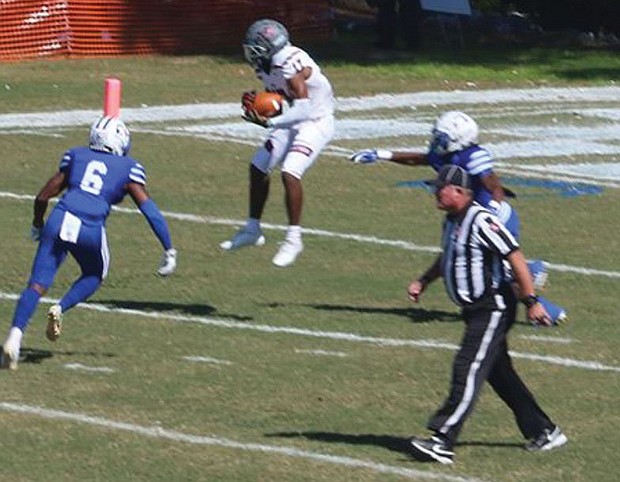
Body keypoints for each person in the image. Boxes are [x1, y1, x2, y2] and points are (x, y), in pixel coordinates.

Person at [406, 164, 567, 464]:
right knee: (498, 373)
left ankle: (443, 439)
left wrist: (531, 300)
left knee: (467, 367)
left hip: (493, 307)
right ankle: (544, 431)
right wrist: (424, 280)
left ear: (459, 191)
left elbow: (515, 256)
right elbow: (450, 257)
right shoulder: (451, 222)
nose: (434, 193)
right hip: (473, 310)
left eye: (439, 188)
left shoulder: (481, 220)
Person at [350, 110, 567, 325]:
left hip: (491, 218)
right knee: (472, 262)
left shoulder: (473, 156)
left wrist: (491, 211)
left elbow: (494, 184)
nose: (437, 142)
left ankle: (544, 307)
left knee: (499, 277)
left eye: (443, 138)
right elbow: (419, 159)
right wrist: (383, 155)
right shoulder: (446, 156)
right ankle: (532, 277)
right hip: (466, 216)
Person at [1, 116, 177, 370]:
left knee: (36, 285)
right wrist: (168, 247)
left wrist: (37, 224)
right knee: (95, 272)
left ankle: (14, 338)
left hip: (59, 217)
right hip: (90, 225)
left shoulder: (76, 156)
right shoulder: (128, 167)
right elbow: (149, 210)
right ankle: (61, 307)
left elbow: (43, 196)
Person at [220, 18, 336, 268]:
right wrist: (265, 103)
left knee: (290, 172)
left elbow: (303, 109)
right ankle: (253, 229)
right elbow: (284, 100)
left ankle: (294, 239)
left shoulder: (290, 66)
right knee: (258, 165)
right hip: (294, 119)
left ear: (270, 47)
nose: (251, 53)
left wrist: (270, 122)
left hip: (316, 121)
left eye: (255, 48)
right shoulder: (266, 65)